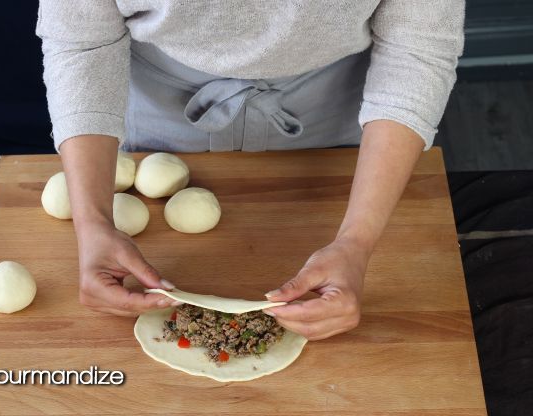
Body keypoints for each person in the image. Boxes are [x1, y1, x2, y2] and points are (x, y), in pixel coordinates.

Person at [36, 1, 464, 340]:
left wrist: (357, 241)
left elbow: (417, 45)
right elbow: (82, 39)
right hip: (160, 103)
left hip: (338, 109)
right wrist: (92, 222)